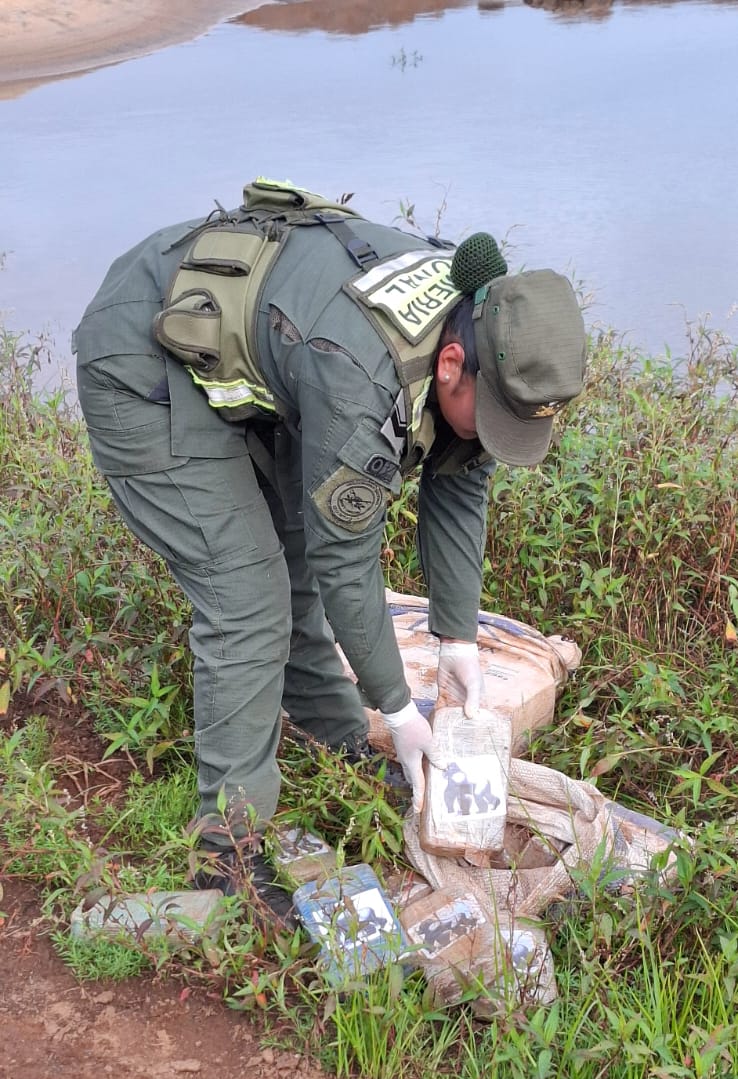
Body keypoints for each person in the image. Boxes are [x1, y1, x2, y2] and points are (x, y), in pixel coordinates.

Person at [73, 178, 586, 918]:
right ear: (450, 367)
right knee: (247, 595)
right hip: (143, 358)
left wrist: (457, 637)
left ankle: (332, 737)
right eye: (495, 414)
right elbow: (346, 559)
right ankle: (229, 851)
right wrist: (399, 708)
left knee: (293, 558)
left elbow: (461, 480)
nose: (494, 436)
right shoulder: (363, 374)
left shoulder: (483, 326)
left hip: (258, 357)